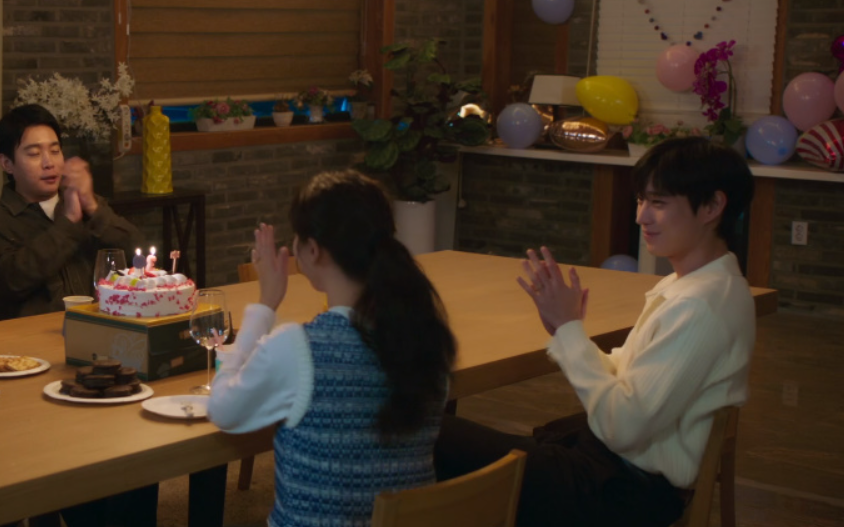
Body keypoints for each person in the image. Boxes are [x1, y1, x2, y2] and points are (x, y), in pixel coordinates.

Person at [433, 137, 757, 527]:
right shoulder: (697, 286)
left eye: (658, 203)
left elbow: (622, 427)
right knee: (432, 434)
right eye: (640, 200)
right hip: (612, 468)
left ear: (712, 206)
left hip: (620, 490)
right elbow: (627, 376)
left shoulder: (701, 305)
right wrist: (565, 329)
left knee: (423, 431)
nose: (641, 217)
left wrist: (571, 331)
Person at [208, 170, 458, 526]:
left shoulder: (299, 348)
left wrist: (265, 305)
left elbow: (223, 409)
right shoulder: (427, 339)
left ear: (313, 250)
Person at [0, 104, 140, 321]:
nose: (49, 163)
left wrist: (94, 209)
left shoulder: (89, 205)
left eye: (55, 151)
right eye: (34, 154)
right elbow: (12, 280)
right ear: (7, 163)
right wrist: (68, 222)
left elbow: (139, 256)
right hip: (29, 338)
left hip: (101, 328)